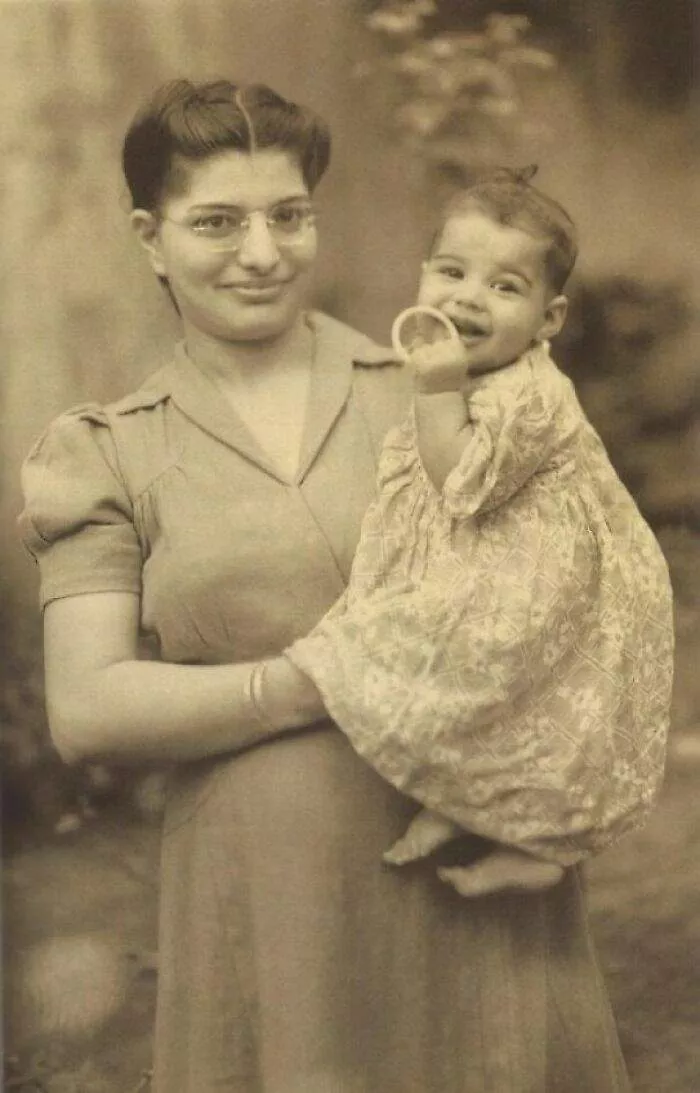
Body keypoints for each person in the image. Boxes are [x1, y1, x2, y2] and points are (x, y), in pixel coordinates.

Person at [19, 79, 641, 1092]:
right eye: (217, 221)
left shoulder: (445, 394)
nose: (261, 252)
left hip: (471, 871)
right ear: (149, 235)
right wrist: (323, 677)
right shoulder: (105, 451)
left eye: (289, 215)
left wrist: (546, 805)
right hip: (264, 896)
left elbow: (579, 596)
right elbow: (90, 709)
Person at [286, 167, 675, 898]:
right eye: (452, 272)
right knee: (465, 668)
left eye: (504, 286)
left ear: (548, 319)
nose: (468, 296)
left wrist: (436, 390)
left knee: (474, 660)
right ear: (423, 275)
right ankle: (463, 802)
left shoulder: (529, 393)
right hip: (504, 551)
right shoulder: (479, 372)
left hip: (545, 578)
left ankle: (537, 843)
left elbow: (460, 480)